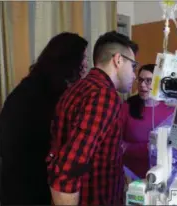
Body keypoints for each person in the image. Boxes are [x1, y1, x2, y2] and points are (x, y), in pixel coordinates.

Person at [46, 31, 138, 205]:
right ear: (118, 60)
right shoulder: (104, 96)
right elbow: (68, 169)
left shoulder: (76, 89)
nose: (134, 75)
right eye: (133, 66)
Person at [0, 32, 88, 205]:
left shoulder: (32, 86)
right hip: (28, 183)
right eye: (82, 58)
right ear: (68, 59)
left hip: (14, 180)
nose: (85, 64)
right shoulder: (45, 94)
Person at [122, 64, 174, 179]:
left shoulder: (171, 109)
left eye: (148, 81)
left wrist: (131, 147)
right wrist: (149, 147)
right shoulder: (127, 107)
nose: (142, 85)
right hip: (131, 175)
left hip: (163, 174)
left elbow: (174, 146)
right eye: (140, 80)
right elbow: (118, 144)